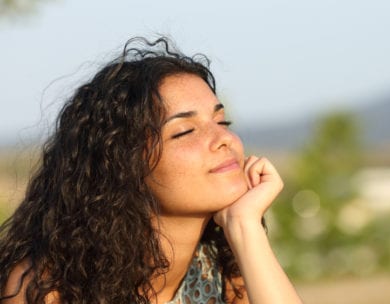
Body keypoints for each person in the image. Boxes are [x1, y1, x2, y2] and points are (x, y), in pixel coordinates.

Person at [0, 37, 303, 304]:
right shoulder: (50, 289)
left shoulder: (225, 269)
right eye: (185, 131)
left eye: (222, 122)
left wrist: (244, 226)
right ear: (123, 165)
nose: (224, 139)